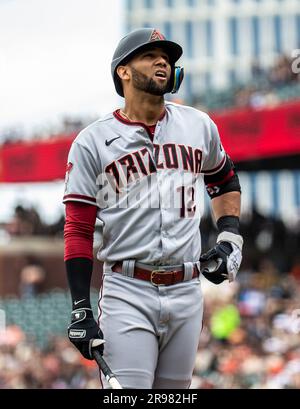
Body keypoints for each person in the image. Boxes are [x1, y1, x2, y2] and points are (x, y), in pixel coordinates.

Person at [63, 28, 243, 389]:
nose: (163, 61)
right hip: (128, 289)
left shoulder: (198, 125)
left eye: (168, 57)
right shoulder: (93, 141)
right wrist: (80, 303)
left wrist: (229, 236)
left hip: (187, 288)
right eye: (150, 55)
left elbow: (223, 181)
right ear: (123, 71)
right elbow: (78, 228)